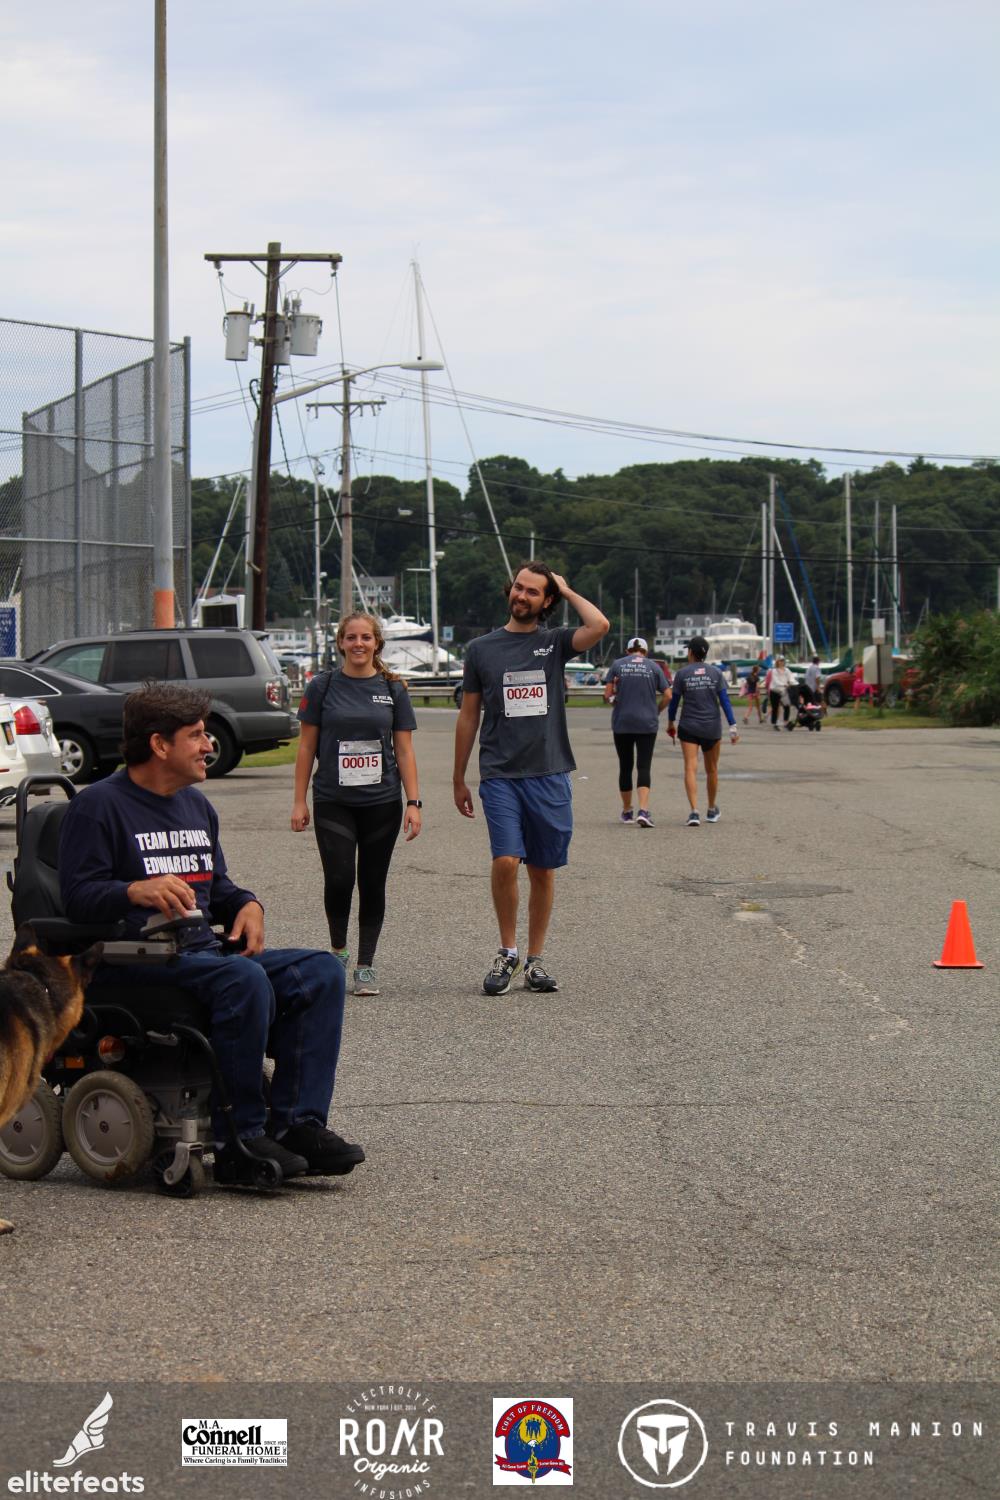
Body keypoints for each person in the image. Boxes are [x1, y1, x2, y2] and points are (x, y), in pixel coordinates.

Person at [58, 683, 363, 1187]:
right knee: (242, 979)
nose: (209, 745)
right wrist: (134, 889)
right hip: (133, 963)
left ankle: (297, 1127)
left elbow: (215, 886)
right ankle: (238, 1140)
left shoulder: (196, 806)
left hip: (199, 955)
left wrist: (247, 903)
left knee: (321, 972)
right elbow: (77, 897)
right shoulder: (98, 807)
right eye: (197, 735)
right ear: (159, 745)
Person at [453, 560, 609, 996]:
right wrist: (458, 777)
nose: (521, 596)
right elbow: (468, 716)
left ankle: (536, 961)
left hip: (549, 772)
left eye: (533, 591)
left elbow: (599, 625)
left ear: (547, 601)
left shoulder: (554, 643)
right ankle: (508, 952)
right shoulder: (481, 649)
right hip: (500, 773)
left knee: (542, 869)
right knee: (506, 860)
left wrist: (567, 588)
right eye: (518, 587)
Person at [292, 612, 421, 997]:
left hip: (382, 801)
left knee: (372, 881)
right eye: (351, 637)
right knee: (339, 878)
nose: (359, 644)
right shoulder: (322, 686)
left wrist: (414, 802)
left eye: (366, 637)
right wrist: (299, 801)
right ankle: (338, 951)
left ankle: (366, 964)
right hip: (334, 799)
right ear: (341, 643)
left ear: (377, 642)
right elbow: (306, 747)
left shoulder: (393, 688)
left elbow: (405, 750)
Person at [666, 636, 739, 826]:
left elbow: (674, 702)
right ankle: (712, 808)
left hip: (689, 726)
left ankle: (694, 811)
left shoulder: (682, 674)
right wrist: (732, 725)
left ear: (691, 652)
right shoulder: (716, 673)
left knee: (690, 767)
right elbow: (725, 701)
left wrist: (671, 721)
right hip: (711, 727)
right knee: (711, 769)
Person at [602, 636, 669, 827]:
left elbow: (607, 695)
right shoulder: (654, 667)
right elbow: (668, 695)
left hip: (623, 722)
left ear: (627, 651)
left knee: (625, 766)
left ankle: (627, 811)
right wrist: (656, 710)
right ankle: (644, 810)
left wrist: (615, 701)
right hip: (647, 722)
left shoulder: (617, 665)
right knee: (644, 766)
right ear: (645, 652)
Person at [764, 655, 797, 730]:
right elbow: (776, 681)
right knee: (775, 708)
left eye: (783, 660)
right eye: (780, 661)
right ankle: (775, 723)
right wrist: (784, 684)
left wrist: (793, 683)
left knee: (787, 706)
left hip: (783, 691)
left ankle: (785, 722)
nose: (782, 662)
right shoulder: (774, 671)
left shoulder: (787, 670)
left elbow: (791, 678)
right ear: (777, 662)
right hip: (774, 691)